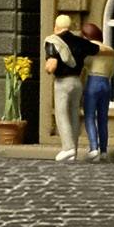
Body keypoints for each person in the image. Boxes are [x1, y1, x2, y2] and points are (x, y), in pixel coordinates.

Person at [43, 14, 93, 162]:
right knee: (73, 115)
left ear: (56, 27)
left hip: (62, 82)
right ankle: (74, 151)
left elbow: (52, 65)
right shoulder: (81, 42)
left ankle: (67, 148)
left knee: (61, 114)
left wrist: (47, 68)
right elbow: (96, 48)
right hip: (77, 82)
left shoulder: (52, 41)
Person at [79, 20, 114, 162]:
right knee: (102, 118)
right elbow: (112, 71)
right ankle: (104, 150)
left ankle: (94, 148)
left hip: (93, 81)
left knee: (89, 116)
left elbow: (84, 66)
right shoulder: (111, 51)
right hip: (106, 83)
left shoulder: (89, 49)